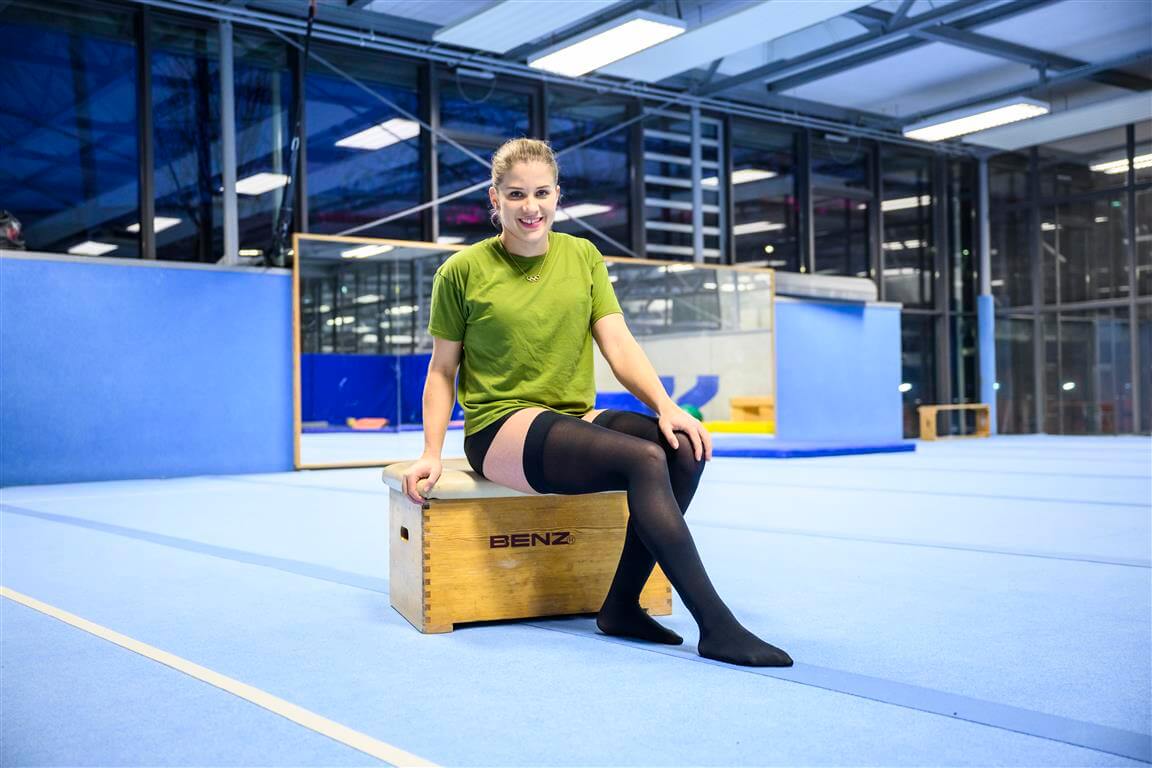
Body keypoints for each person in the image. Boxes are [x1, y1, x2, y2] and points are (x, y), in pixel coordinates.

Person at [402, 137, 792, 667]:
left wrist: (667, 407)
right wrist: (430, 451)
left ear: (557, 195)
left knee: (681, 448)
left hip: (570, 413)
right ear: (495, 198)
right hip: (501, 424)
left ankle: (621, 605)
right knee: (644, 459)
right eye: (516, 194)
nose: (530, 207)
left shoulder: (582, 256)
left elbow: (618, 343)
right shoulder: (462, 271)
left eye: (541, 193)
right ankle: (716, 625)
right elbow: (442, 370)